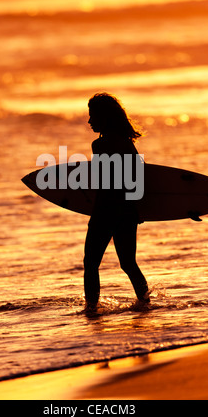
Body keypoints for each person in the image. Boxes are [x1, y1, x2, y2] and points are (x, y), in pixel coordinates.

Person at [83, 92, 149, 310]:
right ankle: (145, 302)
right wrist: (137, 210)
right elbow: (138, 179)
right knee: (129, 264)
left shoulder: (99, 146)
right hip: (127, 212)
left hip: (105, 210)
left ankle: (91, 308)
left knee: (91, 263)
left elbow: (101, 183)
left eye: (93, 115)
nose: (90, 121)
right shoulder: (127, 144)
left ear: (104, 117)